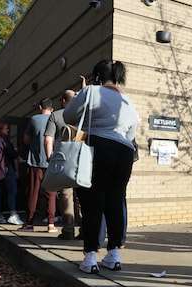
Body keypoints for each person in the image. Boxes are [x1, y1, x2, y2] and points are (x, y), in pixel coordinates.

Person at [64, 60, 139, 273]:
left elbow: (69, 116)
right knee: (115, 200)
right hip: (124, 152)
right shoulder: (129, 102)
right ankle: (114, 254)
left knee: (92, 202)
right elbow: (131, 134)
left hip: (97, 147)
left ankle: (90, 257)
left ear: (97, 76)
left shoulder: (90, 91)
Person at [45, 90, 77, 240]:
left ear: (63, 100)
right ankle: (85, 231)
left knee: (66, 194)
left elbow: (48, 139)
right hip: (82, 158)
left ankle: (69, 230)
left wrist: (49, 157)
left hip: (64, 159)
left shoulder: (55, 115)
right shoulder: (82, 114)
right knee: (82, 195)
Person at [21, 98, 57, 232]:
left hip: (35, 161)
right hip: (51, 161)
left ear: (40, 107)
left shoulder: (34, 119)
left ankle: (30, 223)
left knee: (33, 192)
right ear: (52, 108)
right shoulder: (56, 119)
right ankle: (51, 224)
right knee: (51, 193)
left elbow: (26, 139)